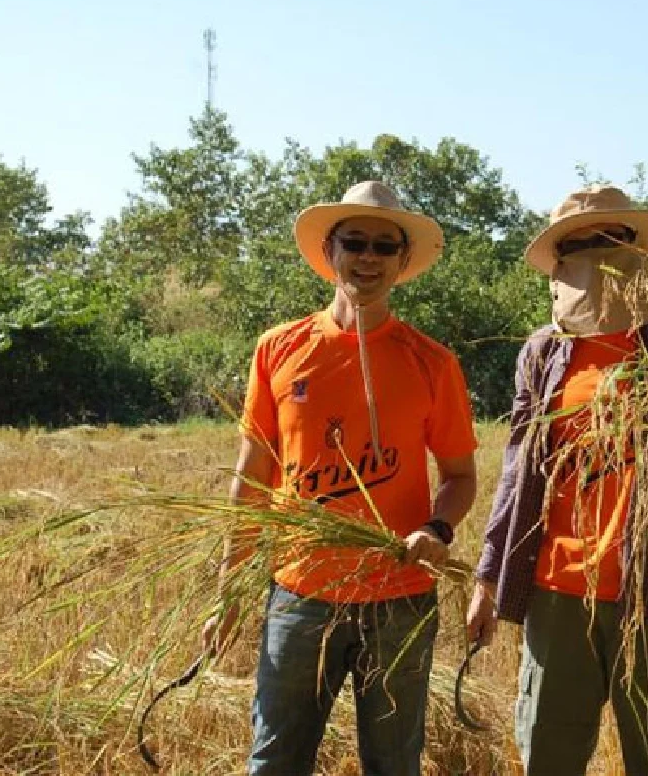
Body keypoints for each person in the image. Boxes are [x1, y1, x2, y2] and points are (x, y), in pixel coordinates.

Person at [203, 180, 479, 776]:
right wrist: (229, 593)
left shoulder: (431, 362)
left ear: (404, 262)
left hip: (398, 596)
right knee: (275, 760)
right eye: (355, 242)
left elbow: (460, 475)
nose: (369, 258)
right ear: (330, 250)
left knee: (393, 763)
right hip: (299, 594)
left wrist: (437, 527)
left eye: (385, 246)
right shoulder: (280, 350)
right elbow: (250, 480)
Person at [466, 185, 648, 775]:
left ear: (635, 251)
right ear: (561, 261)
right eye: (582, 243)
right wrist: (487, 576)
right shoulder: (544, 353)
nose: (599, 254)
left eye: (613, 239)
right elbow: (516, 472)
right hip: (559, 590)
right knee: (549, 757)